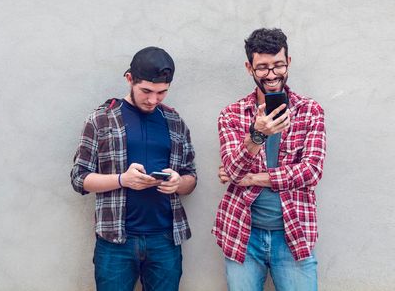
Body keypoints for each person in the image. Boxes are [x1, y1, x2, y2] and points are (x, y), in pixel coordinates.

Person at [70, 46, 197, 291]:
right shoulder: (100, 119)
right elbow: (79, 178)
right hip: (115, 241)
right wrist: (122, 180)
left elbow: (191, 177)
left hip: (165, 239)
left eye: (161, 93)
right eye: (146, 91)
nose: (153, 100)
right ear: (129, 79)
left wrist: (177, 183)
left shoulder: (175, 121)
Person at [213, 28, 326, 291]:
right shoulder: (232, 114)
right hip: (243, 233)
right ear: (249, 67)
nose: (272, 74)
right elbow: (232, 169)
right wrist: (257, 135)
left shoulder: (310, 111)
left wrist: (251, 178)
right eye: (262, 67)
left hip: (294, 233)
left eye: (278, 65)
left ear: (289, 63)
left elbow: (311, 171)